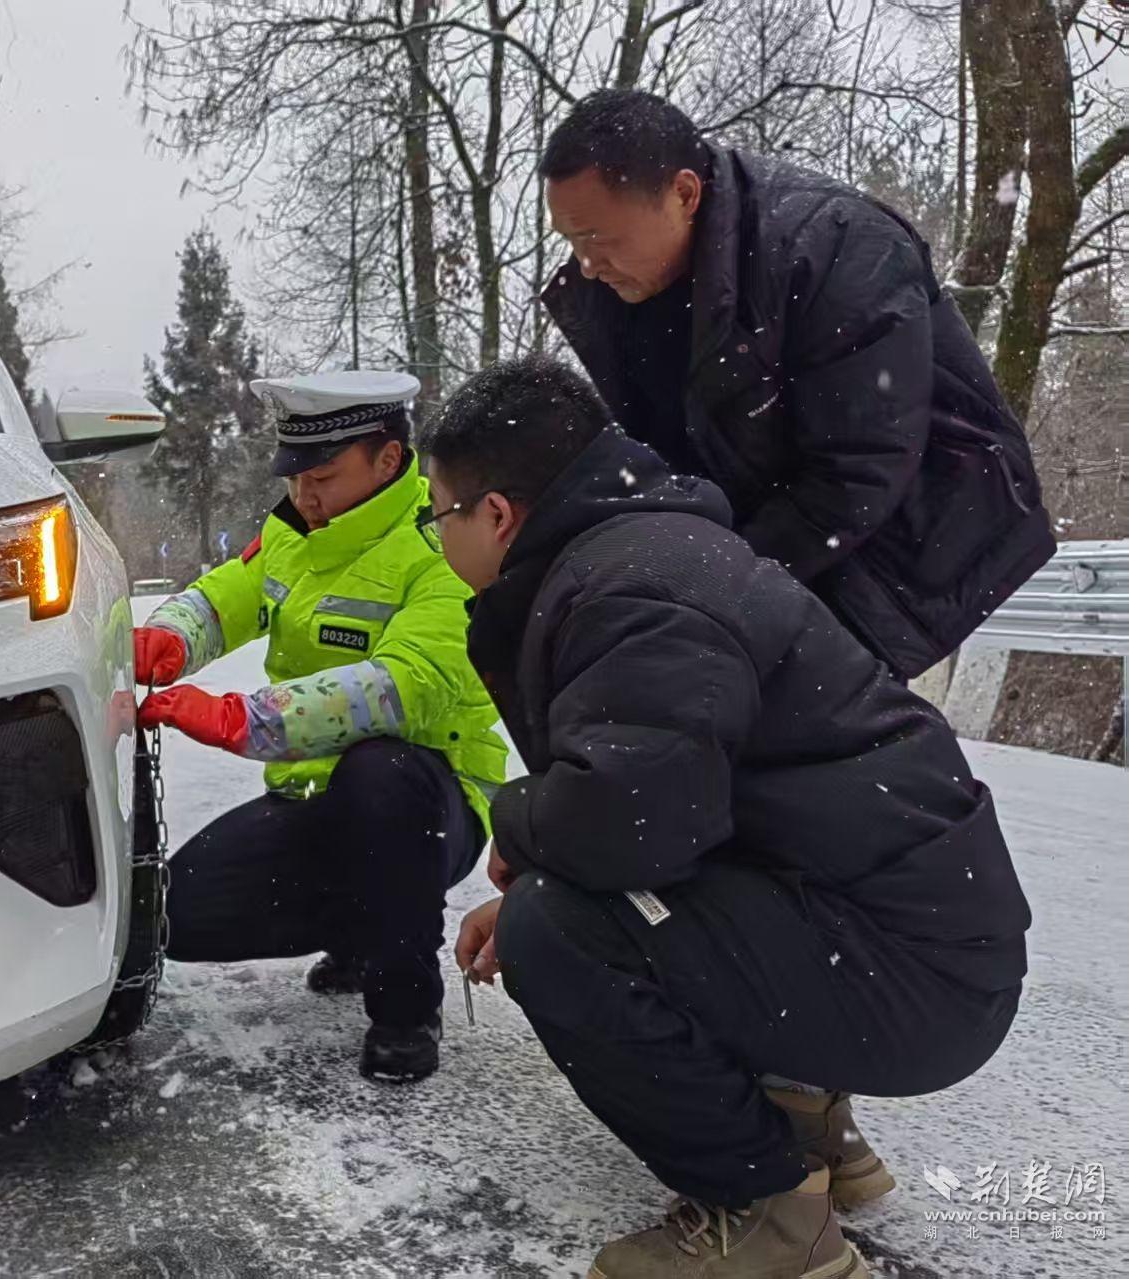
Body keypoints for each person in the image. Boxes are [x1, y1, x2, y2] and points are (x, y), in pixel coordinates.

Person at [425, 356, 1030, 1278]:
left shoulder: (630, 589)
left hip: (915, 975)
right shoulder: (645, 551)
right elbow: (674, 810)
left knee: (555, 929)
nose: (438, 537)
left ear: (497, 513)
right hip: (911, 940)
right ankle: (812, 1133)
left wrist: (514, 828)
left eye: (440, 515)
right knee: (589, 897)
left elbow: (628, 824)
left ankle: (772, 1215)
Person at [537, 89, 1054, 682]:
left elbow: (860, 469)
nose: (585, 265)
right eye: (570, 241)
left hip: (903, 540)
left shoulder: (835, 246)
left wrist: (716, 581)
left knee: (825, 744)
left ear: (683, 194)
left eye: (599, 239)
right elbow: (664, 457)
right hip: (778, 536)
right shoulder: (626, 289)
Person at [135, 370, 507, 1082]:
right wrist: (172, 638)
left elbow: (402, 689)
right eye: (297, 476)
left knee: (381, 772)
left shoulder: (440, 549)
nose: (305, 494)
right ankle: (363, 924)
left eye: (325, 476)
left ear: (389, 460)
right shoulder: (296, 533)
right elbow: (223, 596)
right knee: (180, 910)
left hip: (432, 803)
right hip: (315, 795)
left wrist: (241, 719)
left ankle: (404, 1006)